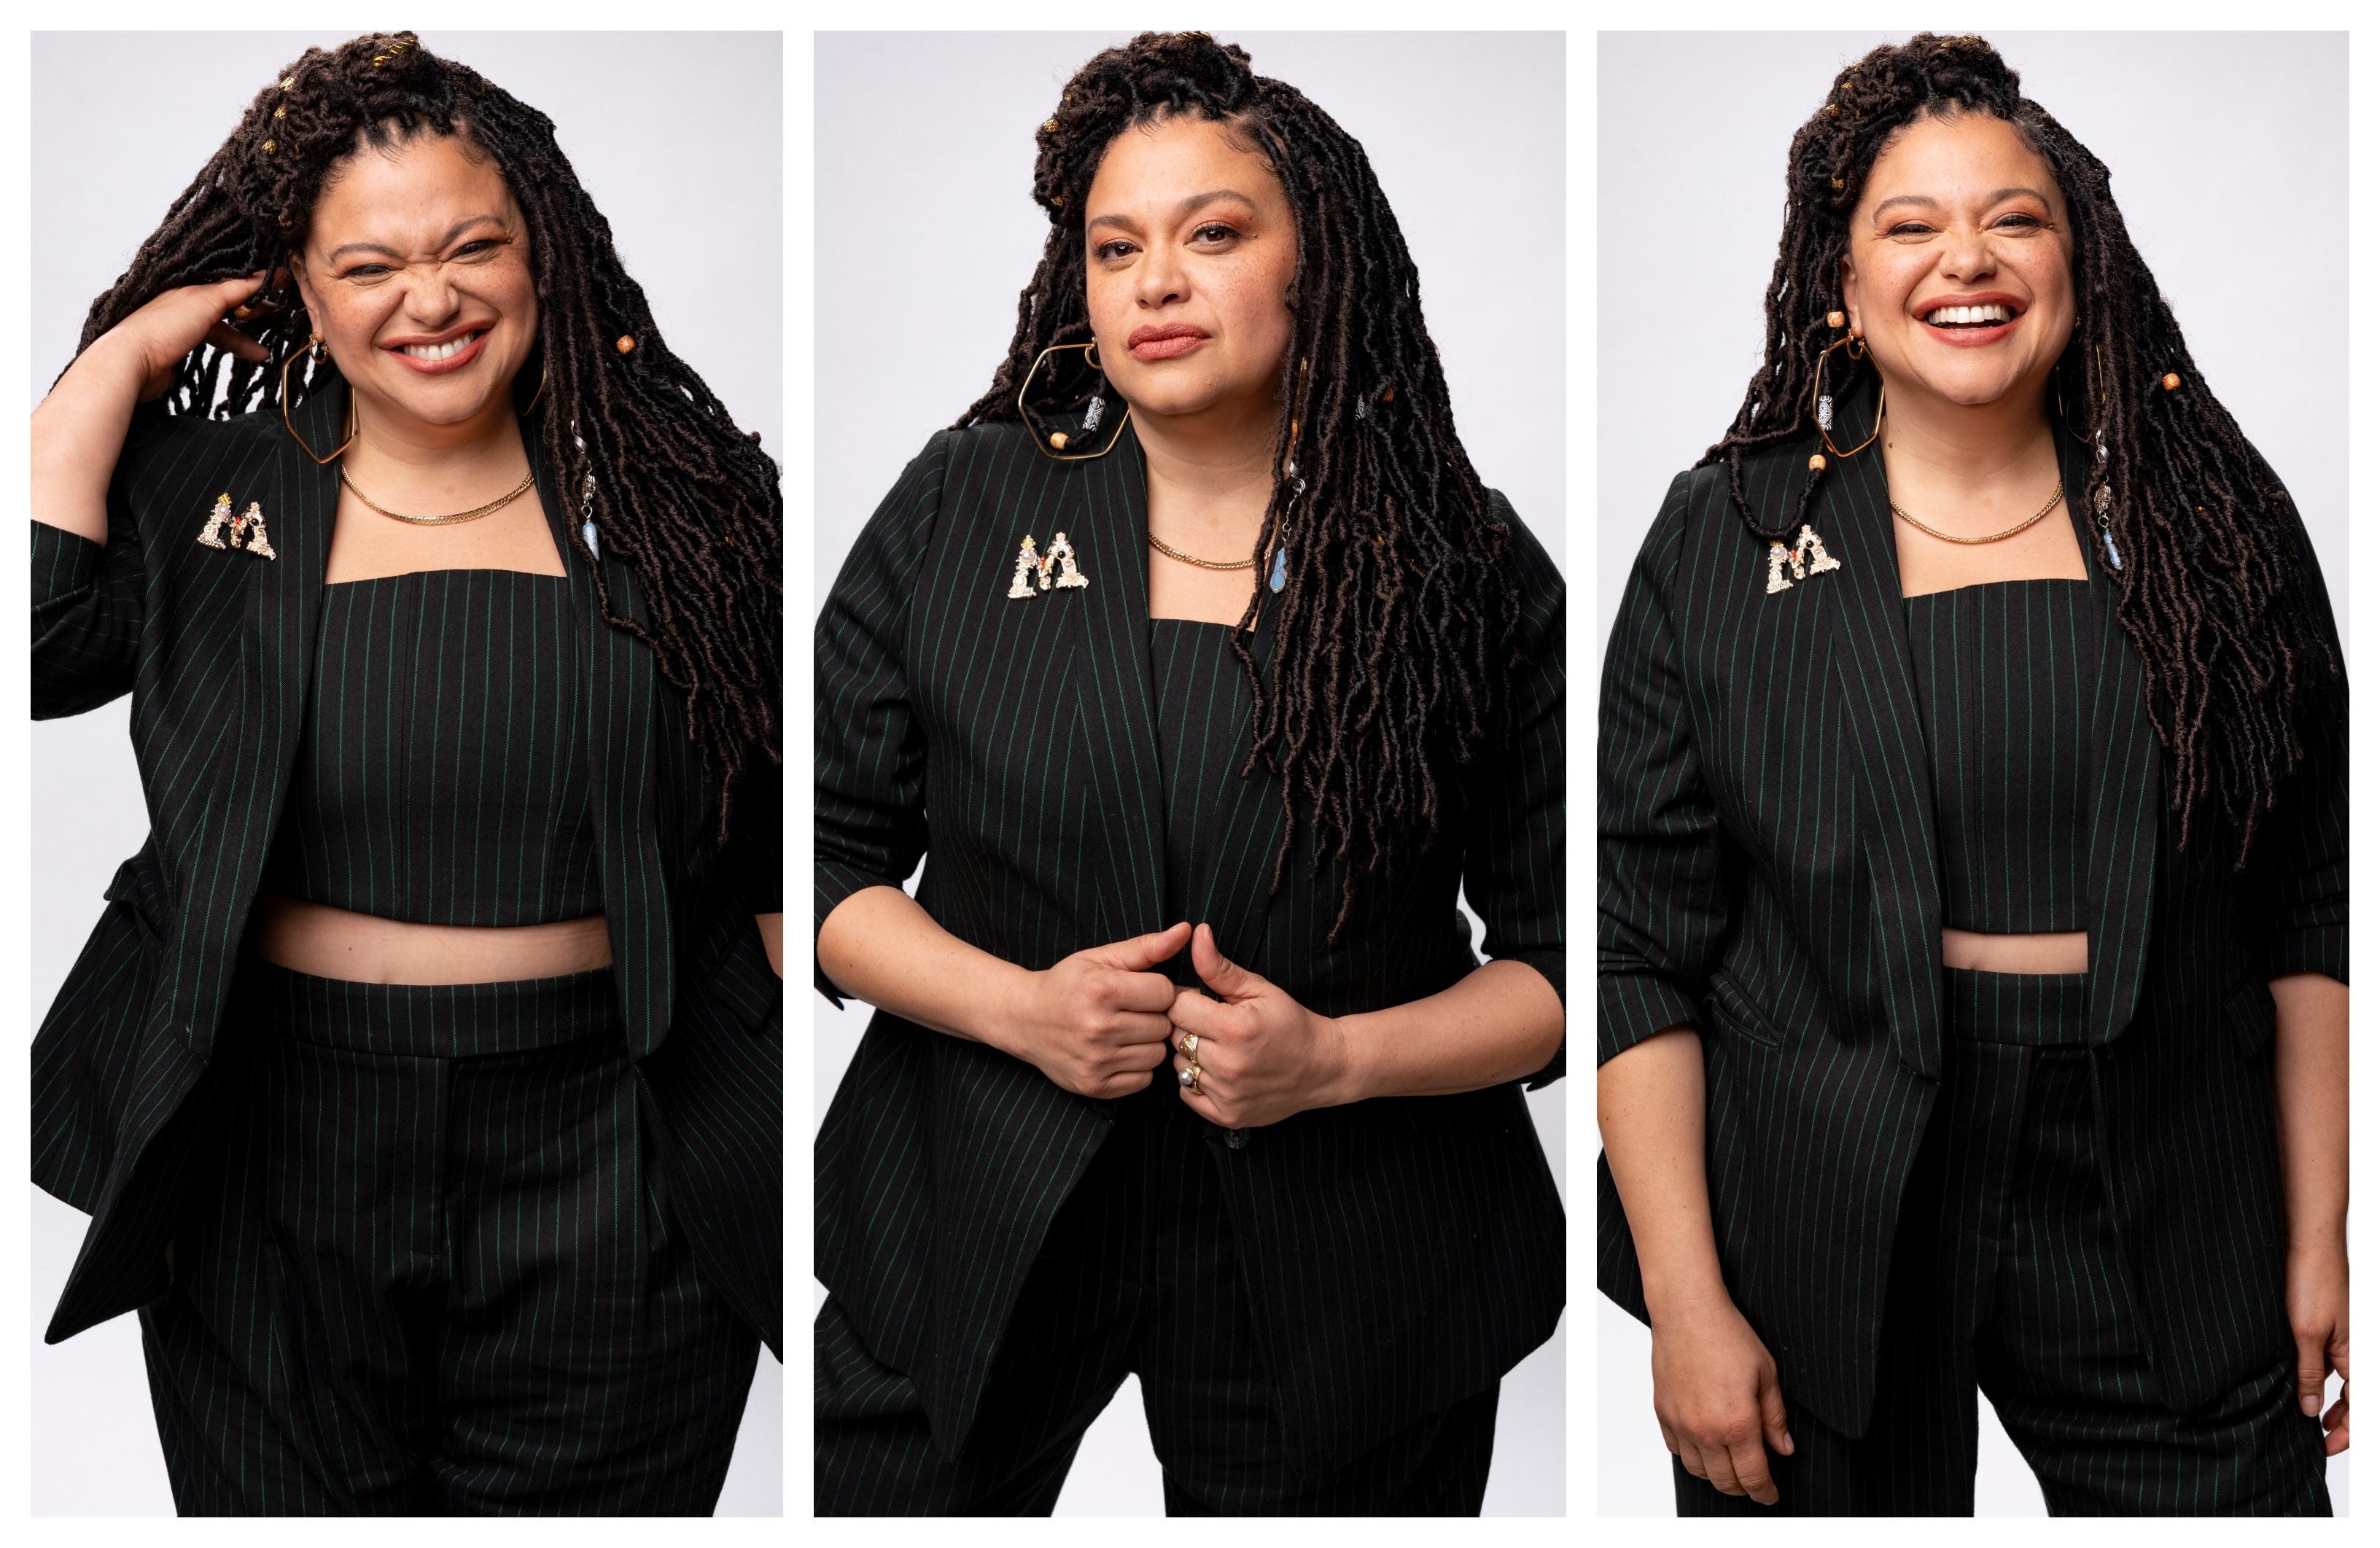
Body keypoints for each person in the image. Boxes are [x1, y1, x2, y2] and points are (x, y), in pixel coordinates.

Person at [30, 33, 784, 1515]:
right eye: (368, 265)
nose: (429, 298)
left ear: (544, 254)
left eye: (472, 247)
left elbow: (773, 838)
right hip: (266, 1140)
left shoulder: (684, 509)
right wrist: (114, 359)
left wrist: (741, 1104)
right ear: (294, 291)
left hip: (609, 1146)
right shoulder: (210, 491)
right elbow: (36, 651)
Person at [814, 31, 1565, 1517]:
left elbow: (1568, 967)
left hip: (1355, 1238)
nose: (1156, 282)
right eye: (1115, 247)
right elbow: (815, 864)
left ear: (1319, 258)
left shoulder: (1465, 567)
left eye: (1213, 233)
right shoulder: (963, 503)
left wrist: (1337, 1061)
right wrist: (1021, 1011)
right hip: (976, 1190)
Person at [1598, 34, 2346, 1517]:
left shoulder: (2217, 523)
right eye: (1911, 225)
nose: (1969, 259)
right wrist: (1688, 1305)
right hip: (1824, 1183)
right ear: (1845, 281)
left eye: (2015, 218)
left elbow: (2309, 905)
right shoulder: (1722, 538)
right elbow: (1639, 947)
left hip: (2161, 1175)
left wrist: (2317, 1233)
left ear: (2082, 258)